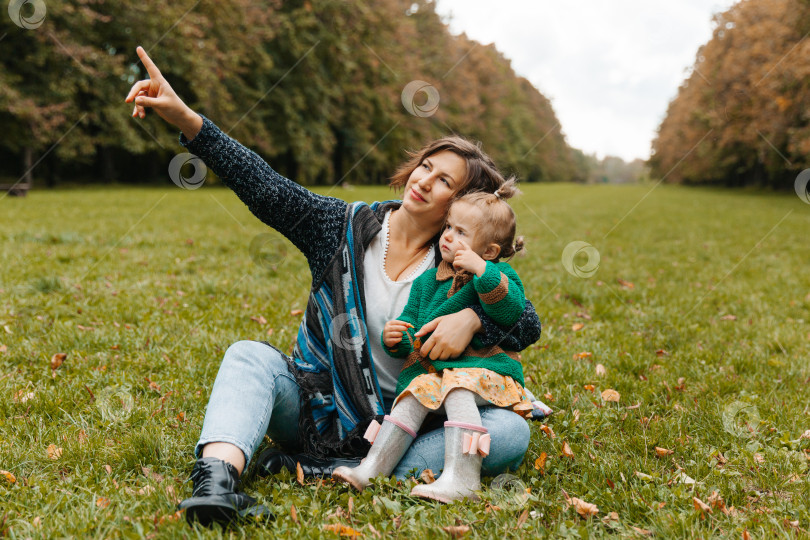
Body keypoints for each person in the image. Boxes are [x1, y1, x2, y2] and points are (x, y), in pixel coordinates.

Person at [124, 46, 541, 526]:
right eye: (426, 165)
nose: (424, 180)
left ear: (459, 206)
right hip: (317, 407)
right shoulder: (341, 226)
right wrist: (187, 119)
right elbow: (267, 187)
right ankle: (217, 484)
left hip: (401, 423)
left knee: (509, 430)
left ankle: (349, 467)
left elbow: (525, 322)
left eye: (444, 181)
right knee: (248, 356)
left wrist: (472, 316)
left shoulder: (456, 267)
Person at [333, 181, 533, 502]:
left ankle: (463, 478)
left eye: (462, 233)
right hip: (438, 378)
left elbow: (511, 310)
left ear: (490, 251)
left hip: (487, 374)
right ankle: (372, 468)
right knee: (413, 395)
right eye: (449, 227)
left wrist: (483, 270)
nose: (449, 236)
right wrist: (398, 339)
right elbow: (415, 329)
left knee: (457, 387)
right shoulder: (429, 280)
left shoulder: (498, 273)